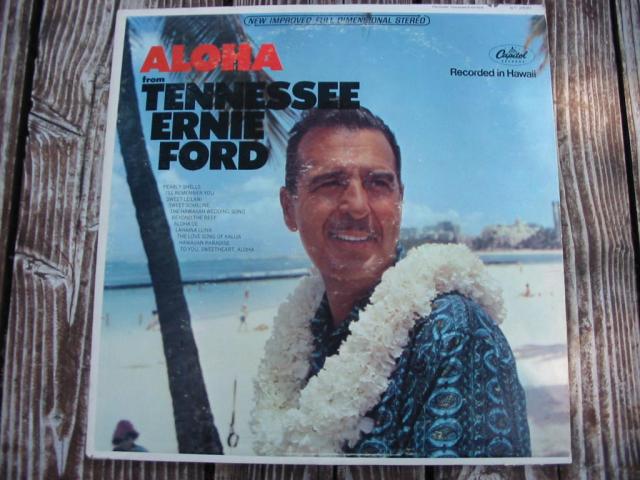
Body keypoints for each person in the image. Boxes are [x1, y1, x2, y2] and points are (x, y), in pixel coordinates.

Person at [252, 108, 530, 458]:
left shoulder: (452, 333)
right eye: (331, 182)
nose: (356, 207)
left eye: (378, 184)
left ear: (400, 200)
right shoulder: (308, 334)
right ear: (288, 208)